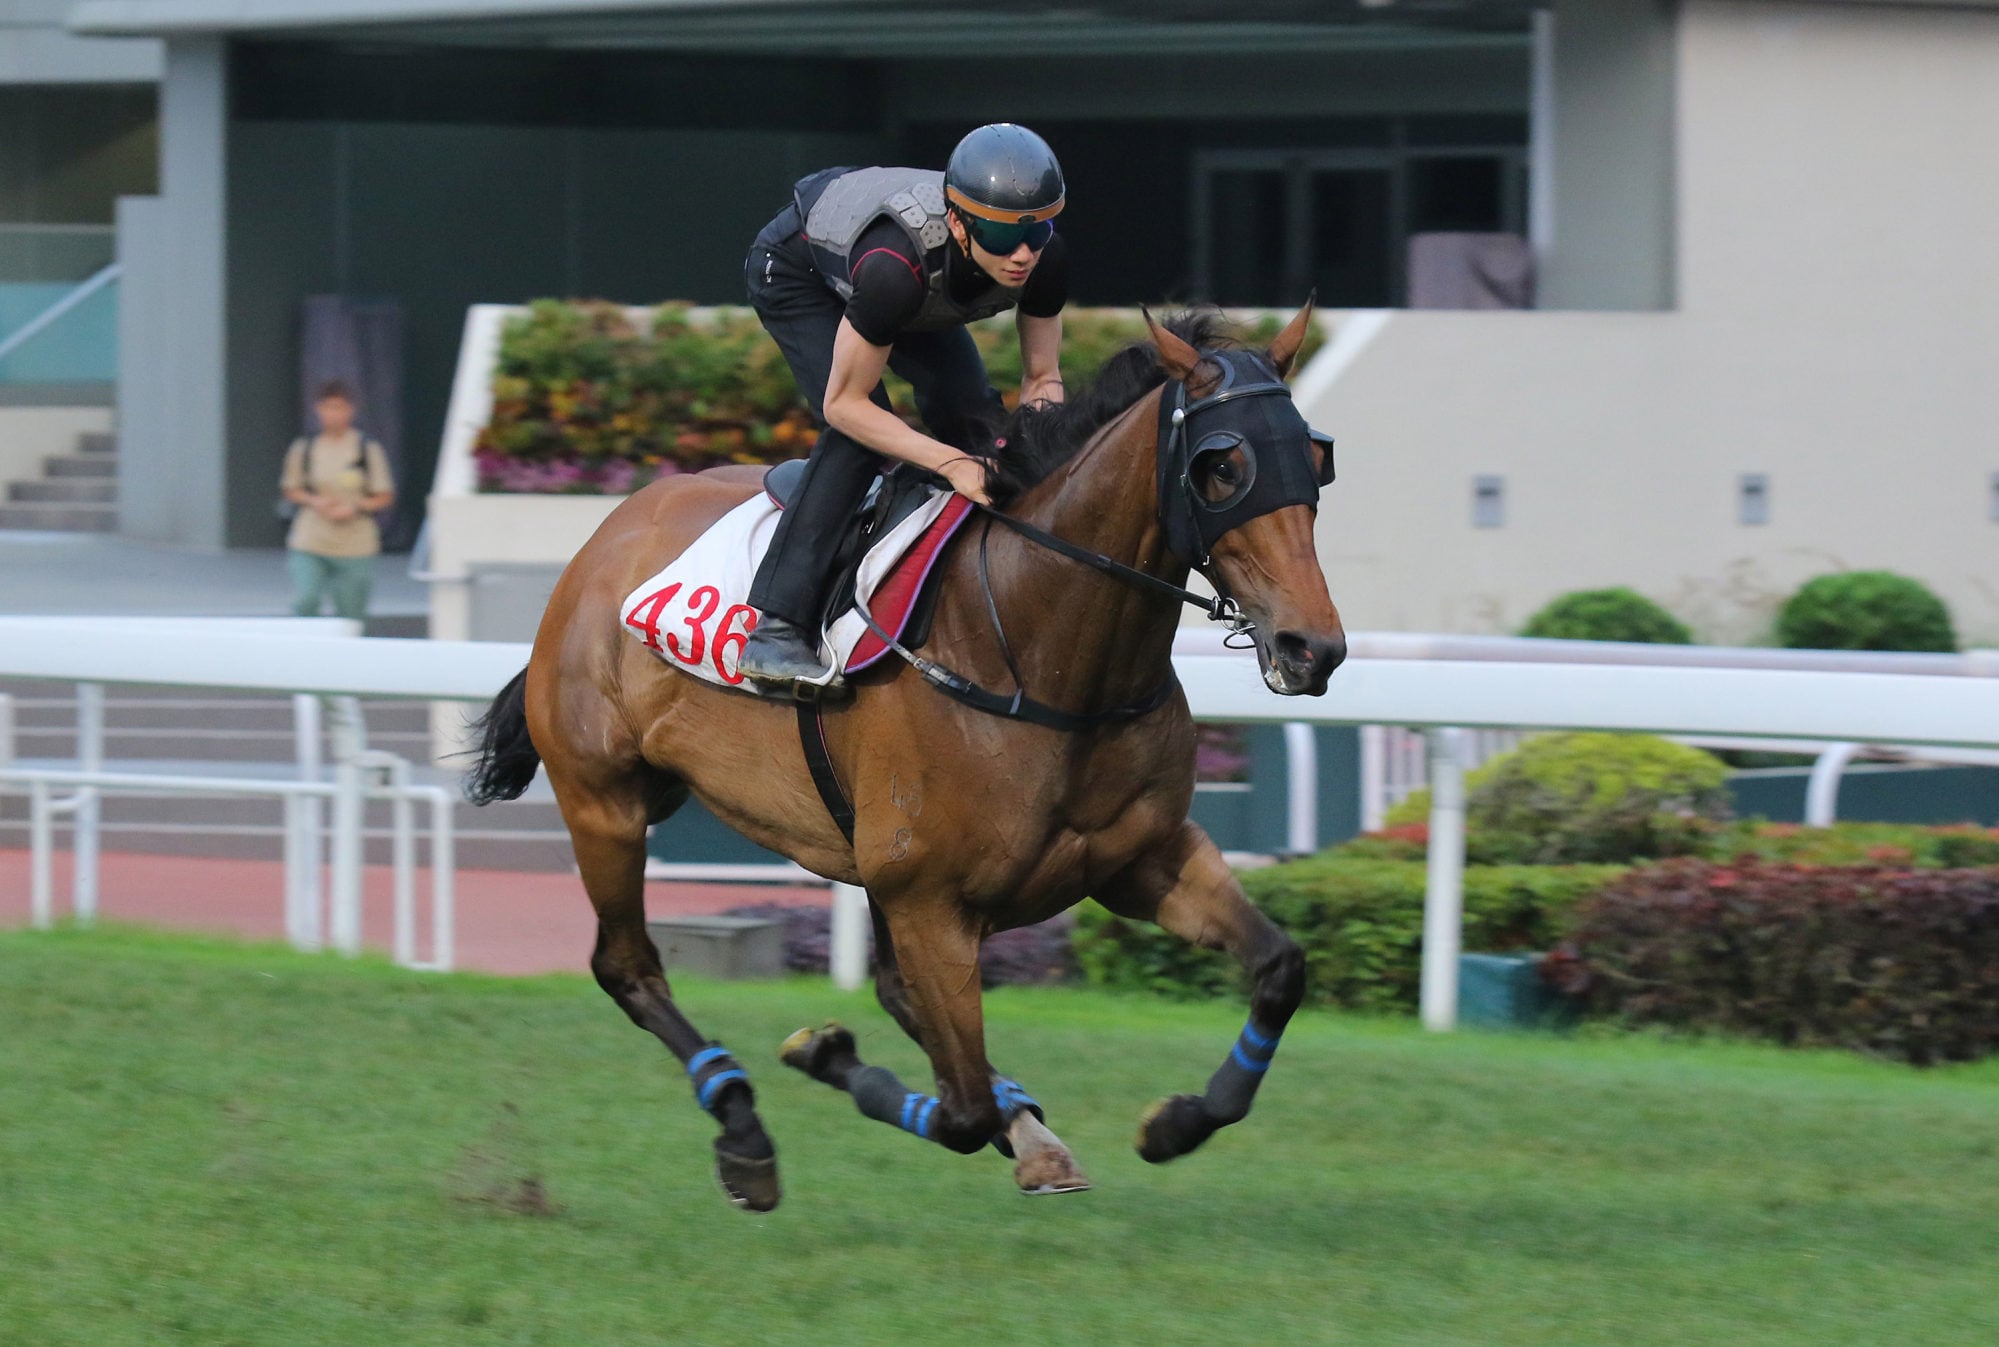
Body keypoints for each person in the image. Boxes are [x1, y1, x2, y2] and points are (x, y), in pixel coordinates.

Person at [735, 122, 1070, 688]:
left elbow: (1043, 378)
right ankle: (778, 628)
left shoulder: (1045, 258)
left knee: (974, 417)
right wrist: (952, 464)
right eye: (1000, 237)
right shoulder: (895, 270)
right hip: (803, 273)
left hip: (906, 287)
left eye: (1036, 234)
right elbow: (845, 406)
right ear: (959, 224)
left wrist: (1037, 461)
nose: (1022, 256)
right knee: (863, 437)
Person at [279, 381, 396, 623]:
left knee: (351, 613)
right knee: (306, 600)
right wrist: (315, 501)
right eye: (328, 408)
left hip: (354, 542)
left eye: (340, 408)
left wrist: (354, 507)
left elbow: (384, 495)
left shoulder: (366, 448)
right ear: (317, 409)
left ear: (351, 410)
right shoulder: (305, 447)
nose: (333, 414)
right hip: (312, 538)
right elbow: (291, 488)